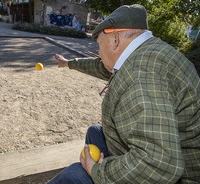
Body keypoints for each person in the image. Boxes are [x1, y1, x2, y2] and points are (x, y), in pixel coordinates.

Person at [48, 4, 200, 184]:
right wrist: (69, 63)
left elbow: (159, 164)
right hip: (167, 150)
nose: (98, 51)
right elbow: (101, 66)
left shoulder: (141, 76)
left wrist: (97, 170)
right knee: (94, 132)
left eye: (99, 44)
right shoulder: (151, 52)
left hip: (178, 176)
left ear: (115, 39)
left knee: (72, 176)